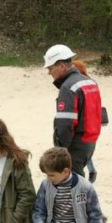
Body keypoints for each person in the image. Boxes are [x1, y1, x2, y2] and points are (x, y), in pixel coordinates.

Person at [43, 44, 102, 177]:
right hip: (90, 143)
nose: (49, 72)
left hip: (74, 146)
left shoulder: (68, 87)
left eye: (51, 68)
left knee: (71, 188)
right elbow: (99, 115)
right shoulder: (90, 82)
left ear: (62, 66)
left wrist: (59, 152)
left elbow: (65, 125)